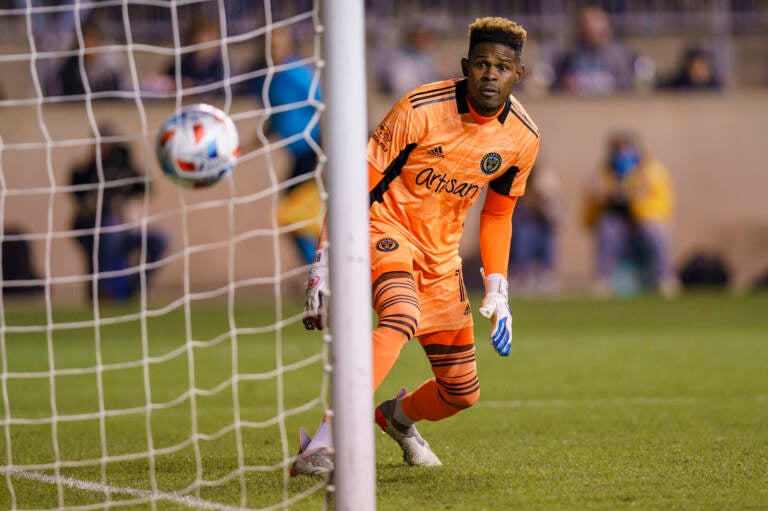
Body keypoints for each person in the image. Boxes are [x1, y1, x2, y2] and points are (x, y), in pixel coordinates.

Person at [291, 16, 540, 476]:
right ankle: (324, 443)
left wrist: (499, 290)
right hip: (382, 230)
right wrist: (322, 263)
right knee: (400, 315)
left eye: (501, 68)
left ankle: (395, 418)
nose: (490, 75)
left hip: (441, 259)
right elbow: (355, 187)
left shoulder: (522, 139)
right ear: (466, 65)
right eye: (481, 64)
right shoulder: (420, 108)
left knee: (461, 392)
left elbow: (498, 214)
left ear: (517, 75)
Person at [242, 26, 323, 265]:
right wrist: (246, 146)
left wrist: (328, 153)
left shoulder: (296, 72)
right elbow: (276, 120)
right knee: (295, 220)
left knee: (292, 217)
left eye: (277, 45)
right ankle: (319, 270)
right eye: (268, 45)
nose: (273, 50)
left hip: (315, 153)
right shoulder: (268, 81)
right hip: (300, 159)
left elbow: (324, 106)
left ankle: (322, 271)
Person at [69, 124, 168, 301]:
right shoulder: (84, 171)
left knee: (161, 240)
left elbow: (146, 187)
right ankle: (102, 289)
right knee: (109, 231)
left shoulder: (124, 167)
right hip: (95, 230)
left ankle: (136, 287)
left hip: (127, 229)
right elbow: (80, 200)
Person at [582, 130, 678, 297]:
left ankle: (664, 279)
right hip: (619, 228)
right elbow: (589, 213)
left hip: (643, 224)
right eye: (618, 150)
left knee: (655, 232)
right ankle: (603, 281)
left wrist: (635, 200)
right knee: (607, 229)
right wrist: (604, 199)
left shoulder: (653, 172)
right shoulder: (603, 174)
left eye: (626, 149)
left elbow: (663, 208)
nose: (622, 155)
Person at [550, 5, 639, 95]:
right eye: (587, 31)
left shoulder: (619, 55)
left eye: (600, 32)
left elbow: (626, 85)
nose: (596, 35)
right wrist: (564, 84)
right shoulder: (569, 55)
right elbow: (556, 85)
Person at [509, 161, 562, 295]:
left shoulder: (546, 180)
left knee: (547, 236)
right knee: (524, 233)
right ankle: (522, 274)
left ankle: (545, 273)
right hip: (522, 225)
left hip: (543, 225)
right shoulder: (514, 180)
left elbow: (555, 212)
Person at [48, 23, 130, 97]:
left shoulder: (111, 57)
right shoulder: (73, 63)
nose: (88, 45)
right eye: (84, 42)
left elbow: (119, 85)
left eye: (91, 41)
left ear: (97, 41)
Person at [373, 21, 441, 99]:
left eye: (425, 36)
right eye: (419, 37)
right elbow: (401, 86)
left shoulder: (425, 58)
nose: (422, 40)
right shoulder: (399, 57)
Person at [658, 46, 723, 91]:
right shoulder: (678, 84)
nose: (700, 70)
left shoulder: (714, 86)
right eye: (697, 66)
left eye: (703, 66)